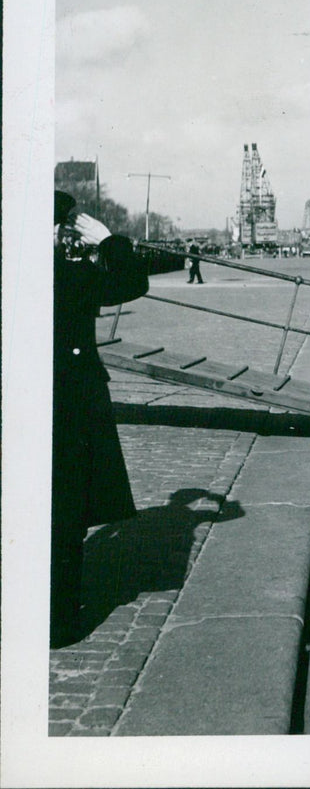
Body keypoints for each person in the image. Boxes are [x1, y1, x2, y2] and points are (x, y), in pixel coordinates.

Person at [51, 191, 150, 647]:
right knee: (63, 514)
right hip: (67, 406)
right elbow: (132, 284)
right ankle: (59, 623)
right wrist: (109, 241)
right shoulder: (68, 274)